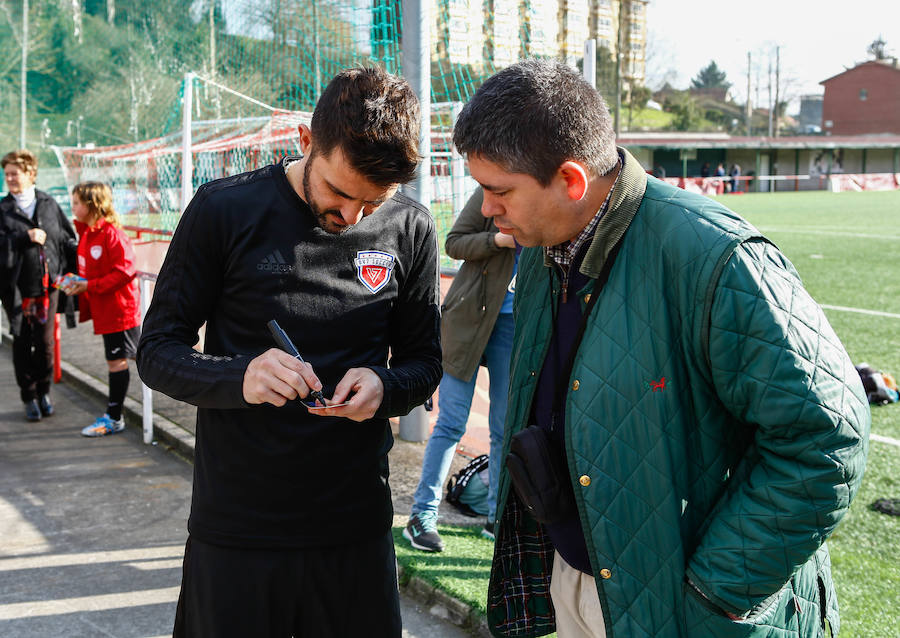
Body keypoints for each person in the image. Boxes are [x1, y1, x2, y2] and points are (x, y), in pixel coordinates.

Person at [452, 59, 869, 638]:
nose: (487, 209)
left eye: (498, 191)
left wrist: (715, 590)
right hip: (580, 576)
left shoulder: (715, 256)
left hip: (684, 600)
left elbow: (828, 435)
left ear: (572, 181)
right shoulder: (548, 243)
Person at [136, 67, 441, 638]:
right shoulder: (223, 209)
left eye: (372, 203)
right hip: (239, 530)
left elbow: (425, 365)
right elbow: (156, 352)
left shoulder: (410, 229)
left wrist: (385, 387)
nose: (351, 217)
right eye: (340, 193)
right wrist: (240, 375)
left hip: (355, 531)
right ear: (305, 141)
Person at [404, 188, 517, 551]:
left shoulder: (547, 196)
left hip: (517, 326)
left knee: (504, 429)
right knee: (451, 422)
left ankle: (495, 519)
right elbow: (454, 243)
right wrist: (499, 239)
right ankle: (422, 514)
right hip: (468, 320)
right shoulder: (494, 191)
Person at [0, 149, 77, 422]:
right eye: (6, 173)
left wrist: (73, 269)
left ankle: (44, 391)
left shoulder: (48, 203)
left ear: (30, 173)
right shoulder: (3, 209)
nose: (9, 178)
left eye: (14, 173)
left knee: (44, 344)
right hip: (17, 290)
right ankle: (29, 396)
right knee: (21, 343)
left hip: (48, 287)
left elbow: (67, 238)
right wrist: (25, 236)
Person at [62, 182, 141, 437]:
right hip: (106, 310)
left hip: (120, 310)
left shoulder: (111, 234)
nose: (72, 207)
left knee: (122, 361)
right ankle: (114, 415)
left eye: (76, 203)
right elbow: (92, 271)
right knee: (122, 359)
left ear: (92, 204)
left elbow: (126, 271)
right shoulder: (87, 232)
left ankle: (114, 418)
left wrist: (88, 285)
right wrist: (77, 282)